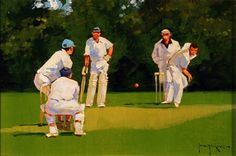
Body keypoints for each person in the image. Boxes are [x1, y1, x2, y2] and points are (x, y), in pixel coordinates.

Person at [34, 38, 75, 127]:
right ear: (71, 48)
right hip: (45, 80)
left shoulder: (57, 53)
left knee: (57, 98)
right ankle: (64, 121)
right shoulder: (67, 59)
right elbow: (67, 75)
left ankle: (49, 109)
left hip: (38, 78)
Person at [41, 68, 86, 137]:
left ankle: (53, 131)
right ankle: (78, 130)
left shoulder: (54, 83)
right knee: (80, 111)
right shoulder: (74, 83)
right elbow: (76, 97)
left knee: (46, 110)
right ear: (70, 75)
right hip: (70, 105)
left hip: (54, 105)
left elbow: (51, 94)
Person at [83, 27, 113, 108]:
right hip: (94, 63)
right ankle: (89, 103)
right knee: (92, 82)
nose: (96, 34)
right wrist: (86, 64)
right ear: (92, 33)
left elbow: (111, 46)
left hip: (103, 62)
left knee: (103, 81)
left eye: (98, 32)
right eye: (94, 32)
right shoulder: (89, 41)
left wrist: (108, 57)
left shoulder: (103, 40)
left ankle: (101, 103)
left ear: (100, 33)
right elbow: (87, 53)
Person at [162, 43, 199, 107]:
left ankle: (169, 99)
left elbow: (188, 44)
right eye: (192, 50)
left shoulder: (188, 45)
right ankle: (176, 102)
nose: (194, 52)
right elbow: (183, 69)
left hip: (178, 66)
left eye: (195, 50)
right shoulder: (185, 57)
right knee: (179, 84)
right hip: (173, 66)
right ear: (189, 49)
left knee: (184, 83)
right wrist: (188, 74)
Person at [152, 28, 180, 100]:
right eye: (164, 34)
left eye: (167, 34)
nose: (165, 36)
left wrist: (175, 62)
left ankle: (174, 98)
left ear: (170, 34)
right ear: (162, 35)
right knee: (166, 82)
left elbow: (179, 54)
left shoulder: (175, 43)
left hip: (173, 65)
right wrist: (160, 62)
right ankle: (167, 99)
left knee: (175, 81)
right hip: (163, 66)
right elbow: (154, 55)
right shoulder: (157, 44)